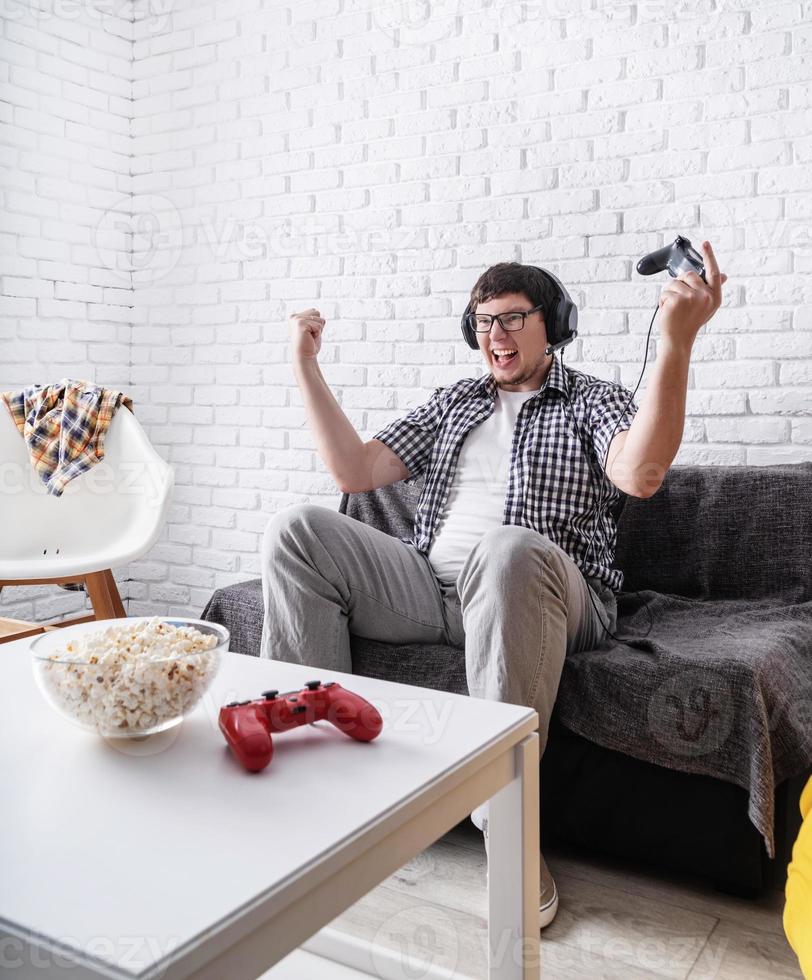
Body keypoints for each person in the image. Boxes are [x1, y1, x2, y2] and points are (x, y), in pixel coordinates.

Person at [260, 244, 726, 930]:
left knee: (505, 547)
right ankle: (322, 786)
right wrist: (304, 365)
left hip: (547, 591)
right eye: (482, 322)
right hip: (430, 589)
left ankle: (509, 829)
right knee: (297, 528)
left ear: (555, 324)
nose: (494, 336)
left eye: (511, 319)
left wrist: (677, 342)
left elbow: (641, 474)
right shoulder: (455, 401)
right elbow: (355, 471)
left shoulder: (592, 399)